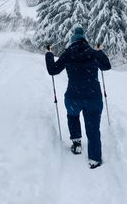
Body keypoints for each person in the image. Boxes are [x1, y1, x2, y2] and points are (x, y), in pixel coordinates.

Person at [45, 27, 111, 169]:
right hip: (93, 97)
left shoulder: (68, 54)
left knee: (73, 116)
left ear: (73, 40)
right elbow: (106, 66)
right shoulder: (93, 53)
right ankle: (94, 159)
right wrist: (99, 51)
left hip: (73, 96)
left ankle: (76, 144)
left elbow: (52, 70)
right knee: (93, 128)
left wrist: (49, 54)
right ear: (84, 39)